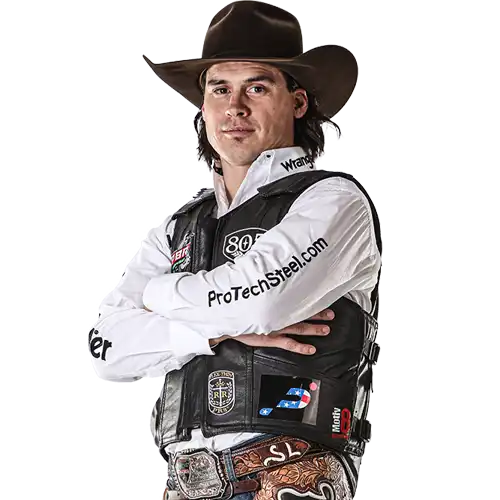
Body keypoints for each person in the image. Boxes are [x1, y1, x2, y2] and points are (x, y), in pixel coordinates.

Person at [88, 2, 382, 499]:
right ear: (204, 106)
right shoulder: (177, 228)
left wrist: (158, 295)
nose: (235, 107)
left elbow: (259, 303)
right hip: (186, 483)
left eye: (257, 88)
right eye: (219, 89)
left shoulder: (332, 201)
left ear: (298, 102)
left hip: (291, 473)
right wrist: (208, 331)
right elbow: (107, 349)